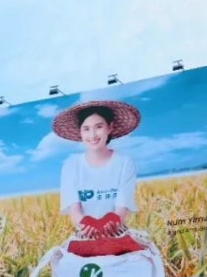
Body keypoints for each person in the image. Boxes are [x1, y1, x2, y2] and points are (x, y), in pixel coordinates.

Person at [52, 100, 141, 239]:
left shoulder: (124, 162)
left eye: (98, 127)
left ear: (109, 128)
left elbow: (122, 207)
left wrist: (111, 225)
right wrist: (87, 227)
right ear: (80, 132)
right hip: (84, 235)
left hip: (118, 233)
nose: (92, 135)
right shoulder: (71, 166)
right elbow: (75, 212)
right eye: (86, 129)